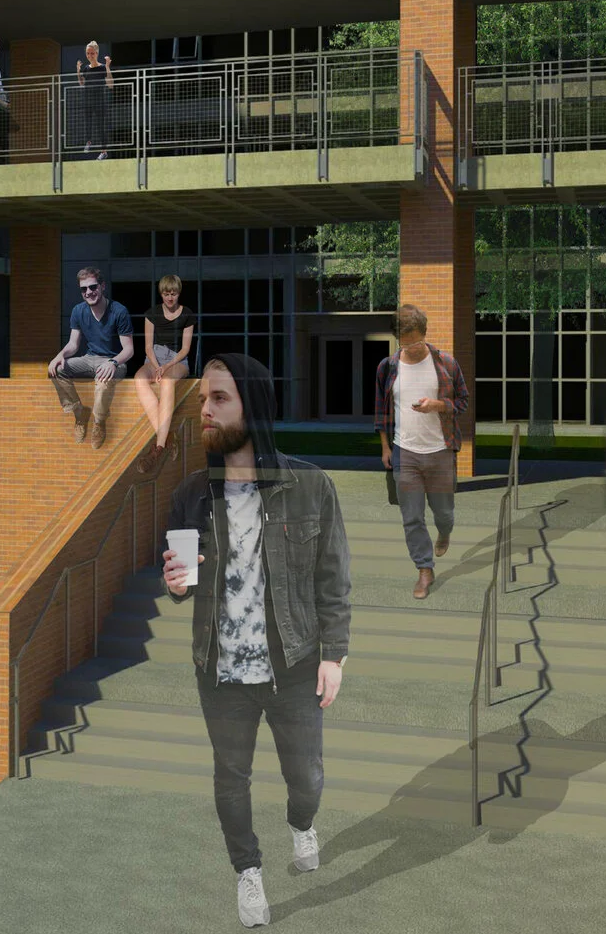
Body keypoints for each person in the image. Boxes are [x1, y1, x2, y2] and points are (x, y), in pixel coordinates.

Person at [163, 351, 352, 929]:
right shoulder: (193, 494)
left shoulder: (310, 486)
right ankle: (248, 873)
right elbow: (181, 576)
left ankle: (302, 823)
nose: (205, 411)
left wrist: (335, 655)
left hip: (293, 664)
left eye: (219, 399)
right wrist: (173, 582)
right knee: (231, 777)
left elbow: (333, 578)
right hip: (219, 670)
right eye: (202, 401)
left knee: (308, 777)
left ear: (255, 406)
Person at [374, 304, 469, 598]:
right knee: (412, 517)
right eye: (405, 343)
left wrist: (438, 405)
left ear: (424, 334)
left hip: (440, 451)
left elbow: (463, 402)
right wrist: (385, 447)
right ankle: (424, 569)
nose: (411, 348)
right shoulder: (387, 367)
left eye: (415, 341)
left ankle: (445, 531)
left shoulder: (446, 364)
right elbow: (381, 410)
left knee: (444, 513)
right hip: (406, 454)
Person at [48, 268, 134, 446]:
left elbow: (129, 349)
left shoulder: (119, 311)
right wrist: (59, 355)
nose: (89, 292)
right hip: (89, 359)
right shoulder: (78, 311)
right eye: (84, 289)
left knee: (103, 380)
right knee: (56, 370)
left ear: (102, 286)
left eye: (93, 287)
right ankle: (79, 413)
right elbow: (73, 344)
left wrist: (113, 362)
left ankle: (99, 422)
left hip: (115, 361)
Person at [134, 274, 196, 451]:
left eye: (173, 293)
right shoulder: (151, 314)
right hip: (155, 357)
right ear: (161, 294)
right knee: (139, 379)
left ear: (179, 293)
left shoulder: (187, 314)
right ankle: (167, 437)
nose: (170, 297)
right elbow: (147, 346)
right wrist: (156, 366)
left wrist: (166, 367)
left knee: (167, 382)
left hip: (178, 359)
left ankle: (160, 445)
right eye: (166, 293)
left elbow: (185, 348)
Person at [75, 40, 114, 158]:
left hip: (99, 100)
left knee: (100, 125)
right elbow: (81, 83)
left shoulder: (102, 67)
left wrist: (107, 67)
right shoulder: (86, 68)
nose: (90, 56)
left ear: (97, 53)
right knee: (87, 123)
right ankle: (88, 142)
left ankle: (103, 152)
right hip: (88, 99)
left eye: (92, 53)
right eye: (88, 53)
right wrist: (78, 71)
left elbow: (111, 84)